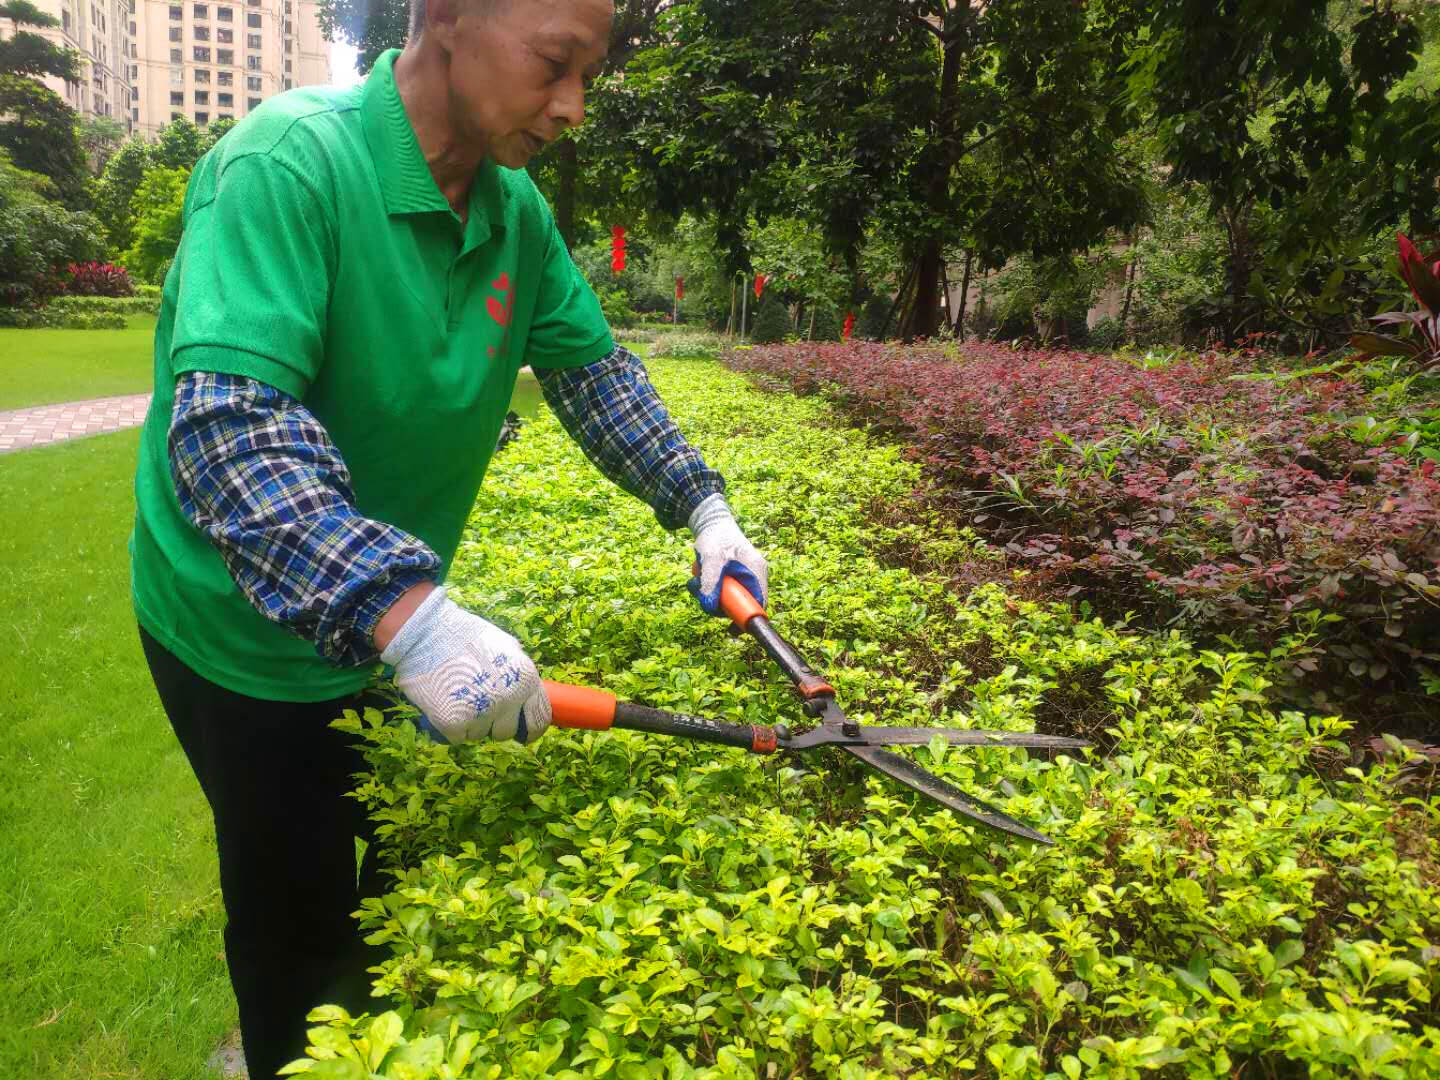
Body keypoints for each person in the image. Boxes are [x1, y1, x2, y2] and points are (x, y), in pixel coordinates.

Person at [127, 0, 768, 1074]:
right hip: (238, 644)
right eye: (555, 66)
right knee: (299, 929)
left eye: (588, 80)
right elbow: (229, 436)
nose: (571, 110)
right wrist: (409, 619)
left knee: (395, 884)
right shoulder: (286, 166)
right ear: (448, 16)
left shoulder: (515, 212)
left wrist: (703, 509)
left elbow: (597, 380)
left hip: (395, 612)